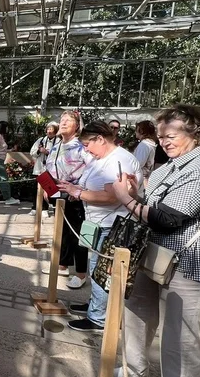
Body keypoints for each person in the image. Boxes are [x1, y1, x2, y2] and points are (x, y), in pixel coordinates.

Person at [111, 104, 200, 377]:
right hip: (157, 254)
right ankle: (135, 368)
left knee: (182, 332)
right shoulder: (167, 167)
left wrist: (125, 198)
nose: (164, 140)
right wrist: (137, 194)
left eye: (171, 134)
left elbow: (168, 219)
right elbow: (153, 207)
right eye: (160, 134)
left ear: (196, 131)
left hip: (194, 261)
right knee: (137, 311)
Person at [57, 121, 143, 332]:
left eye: (87, 144)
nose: (86, 149)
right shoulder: (104, 158)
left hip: (110, 225)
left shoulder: (118, 160)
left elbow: (112, 197)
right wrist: (75, 188)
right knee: (96, 269)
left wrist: (79, 193)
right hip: (98, 222)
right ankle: (96, 307)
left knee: (102, 270)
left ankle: (99, 318)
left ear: (100, 139)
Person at [44, 111, 91, 279]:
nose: (63, 123)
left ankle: (80, 273)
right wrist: (46, 188)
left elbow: (92, 169)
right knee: (61, 231)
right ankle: (62, 264)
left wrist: (79, 187)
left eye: (68, 121)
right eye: (61, 120)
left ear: (77, 126)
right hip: (57, 195)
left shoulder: (82, 147)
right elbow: (49, 168)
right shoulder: (56, 146)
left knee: (77, 233)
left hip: (75, 196)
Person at [28, 121, 60, 215]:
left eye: (51, 129)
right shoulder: (41, 140)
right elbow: (32, 152)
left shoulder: (58, 141)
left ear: (55, 131)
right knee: (37, 190)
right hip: (39, 168)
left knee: (51, 189)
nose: (49, 131)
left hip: (51, 170)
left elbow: (59, 154)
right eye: (48, 129)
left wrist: (47, 152)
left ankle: (50, 208)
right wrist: (39, 150)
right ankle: (36, 208)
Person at [133, 120, 157, 188]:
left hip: (141, 178)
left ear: (142, 131)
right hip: (146, 176)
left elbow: (138, 163)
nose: (135, 132)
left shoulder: (144, 145)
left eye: (137, 130)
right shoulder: (150, 143)